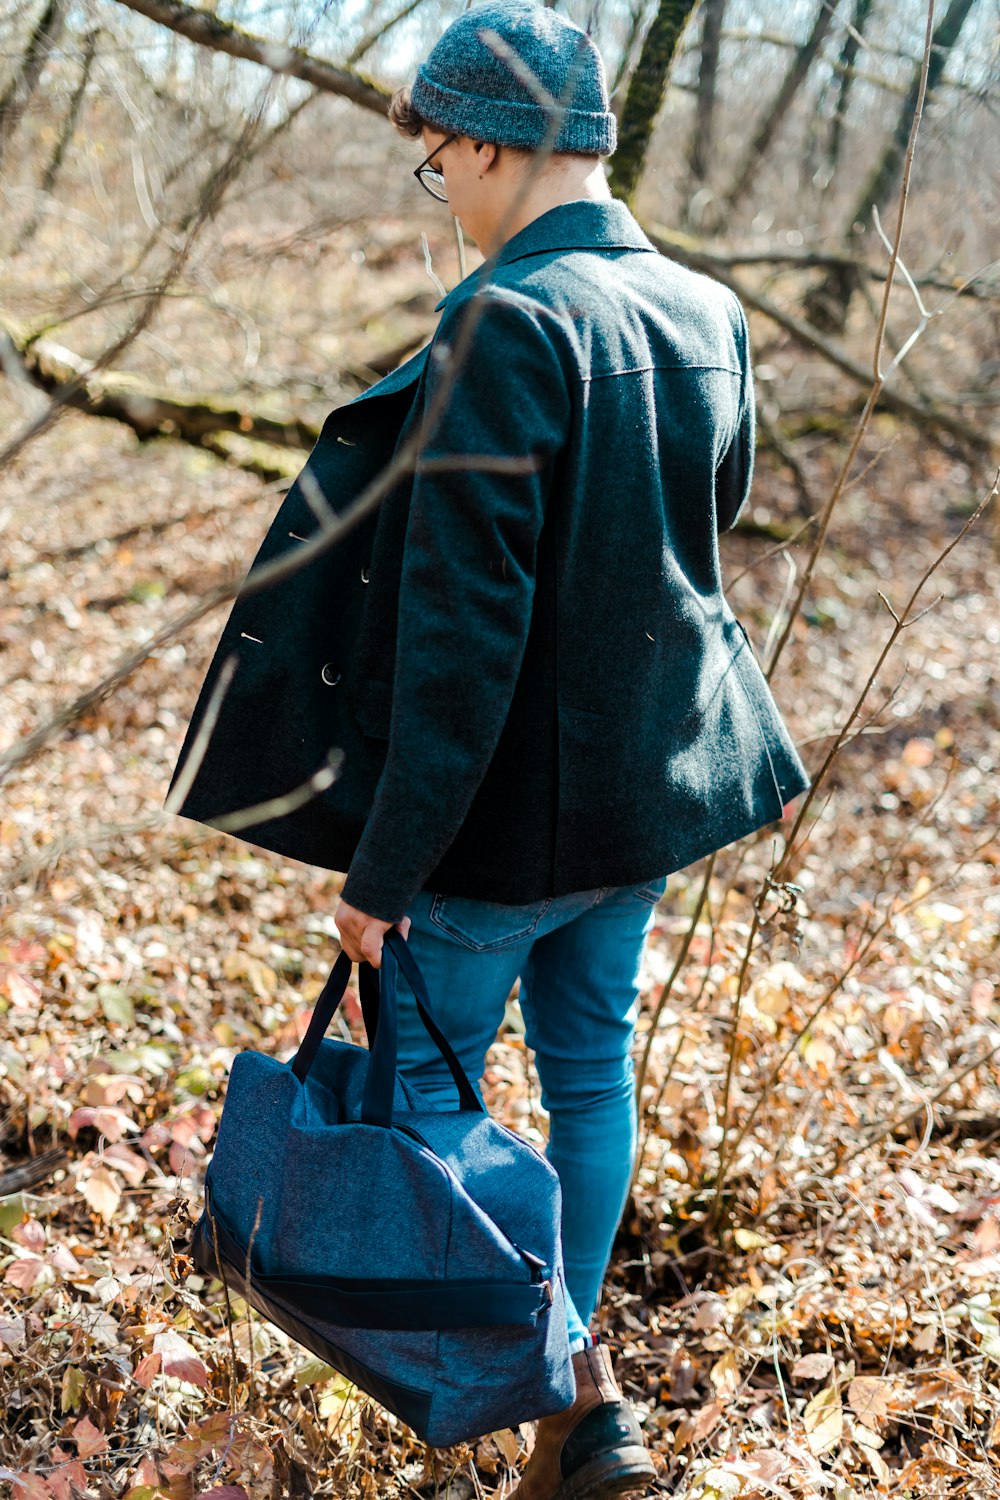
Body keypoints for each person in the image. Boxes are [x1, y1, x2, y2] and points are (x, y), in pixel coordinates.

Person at [167, 2, 809, 1494]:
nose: (440, 187)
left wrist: (380, 875)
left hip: (501, 827)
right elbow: (696, 539)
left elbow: (461, 645)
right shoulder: (708, 312)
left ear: (501, 146)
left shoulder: (503, 328)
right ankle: (571, 1393)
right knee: (587, 1076)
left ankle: (573, 1397)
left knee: (425, 1108)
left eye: (438, 154)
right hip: (645, 804)